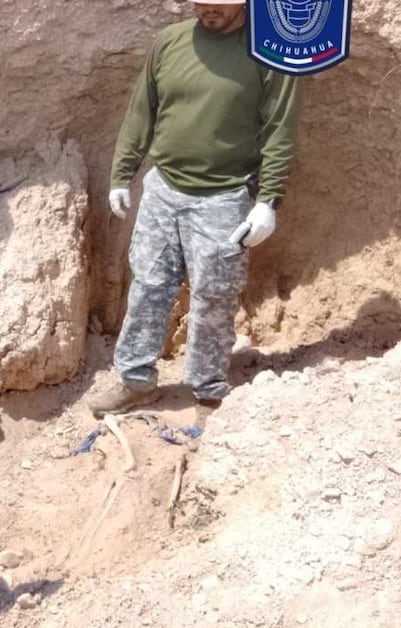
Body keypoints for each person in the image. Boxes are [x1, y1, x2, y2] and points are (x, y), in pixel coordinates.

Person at [89, 0, 302, 419]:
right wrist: (122, 174)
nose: (208, 11)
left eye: (218, 5)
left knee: (213, 296)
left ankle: (207, 391)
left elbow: (280, 131)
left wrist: (268, 202)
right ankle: (135, 382)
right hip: (163, 188)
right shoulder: (169, 42)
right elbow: (142, 110)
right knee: (148, 285)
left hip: (224, 198)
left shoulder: (271, 51)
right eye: (201, 4)